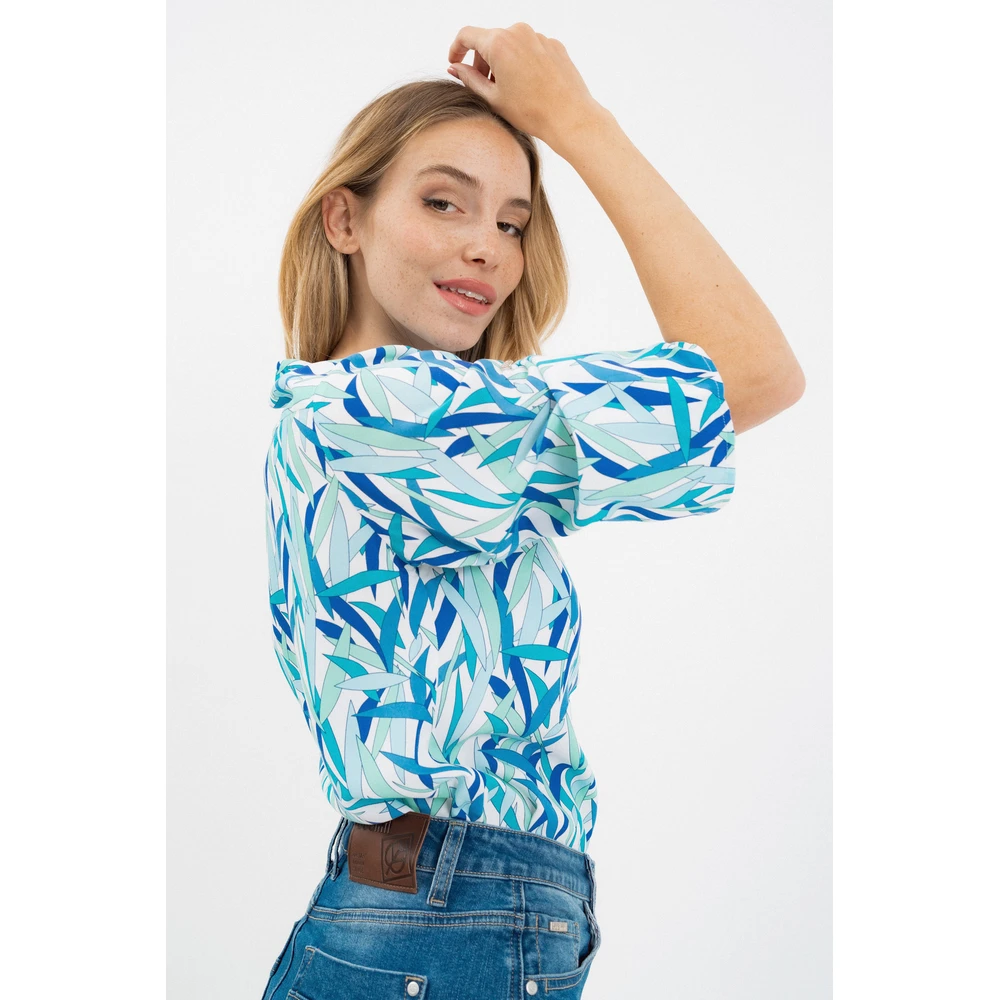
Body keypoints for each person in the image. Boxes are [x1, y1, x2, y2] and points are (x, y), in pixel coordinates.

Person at [260, 23, 805, 1000]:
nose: (486, 245)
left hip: (433, 915)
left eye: (513, 223)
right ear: (344, 219)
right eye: (443, 202)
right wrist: (578, 121)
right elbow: (752, 371)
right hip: (446, 919)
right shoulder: (385, 413)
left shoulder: (399, 423)